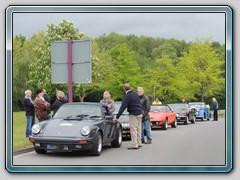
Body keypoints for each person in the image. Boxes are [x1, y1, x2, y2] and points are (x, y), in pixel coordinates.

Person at [113, 83, 143, 150]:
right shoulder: (135, 93)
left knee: (133, 129)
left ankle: (135, 144)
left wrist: (117, 117)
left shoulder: (128, 96)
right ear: (130, 87)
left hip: (134, 114)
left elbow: (123, 107)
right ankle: (139, 142)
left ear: (124, 88)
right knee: (138, 128)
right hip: (140, 113)